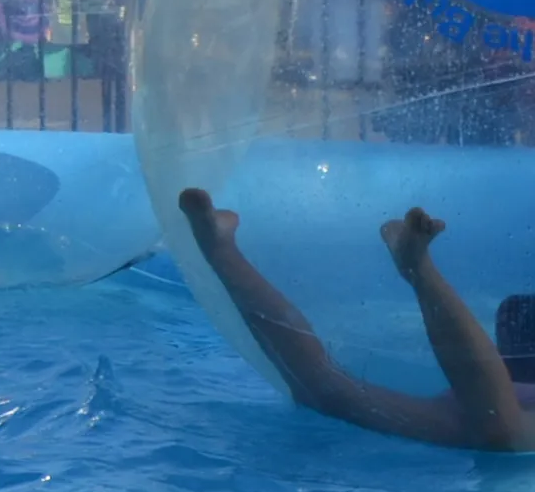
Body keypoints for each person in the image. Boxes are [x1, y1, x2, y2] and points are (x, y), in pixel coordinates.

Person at [178, 187, 535, 452]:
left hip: (498, 392)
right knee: (503, 432)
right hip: (506, 395)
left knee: (324, 393)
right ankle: (418, 269)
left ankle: (220, 248)